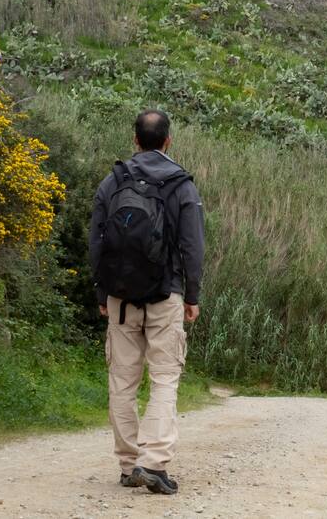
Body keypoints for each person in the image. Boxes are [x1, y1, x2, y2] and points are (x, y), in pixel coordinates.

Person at [89, 109, 205, 495]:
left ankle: (127, 464)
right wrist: (192, 295)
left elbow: (96, 242)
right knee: (164, 379)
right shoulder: (181, 184)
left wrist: (102, 292)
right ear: (168, 140)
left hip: (120, 296)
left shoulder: (113, 181)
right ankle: (153, 463)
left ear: (135, 140)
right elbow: (192, 246)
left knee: (122, 382)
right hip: (164, 294)